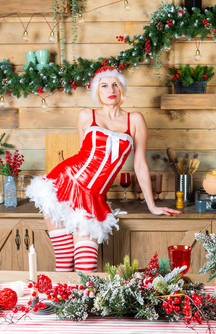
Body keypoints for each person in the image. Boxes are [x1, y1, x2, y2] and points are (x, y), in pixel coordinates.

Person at [26, 66, 181, 272]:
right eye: (105, 85)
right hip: (63, 185)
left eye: (115, 84)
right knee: (64, 266)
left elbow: (140, 164)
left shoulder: (134, 120)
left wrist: (151, 205)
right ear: (97, 91)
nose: (111, 90)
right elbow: (84, 154)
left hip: (92, 198)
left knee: (85, 269)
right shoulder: (85, 115)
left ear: (122, 89)